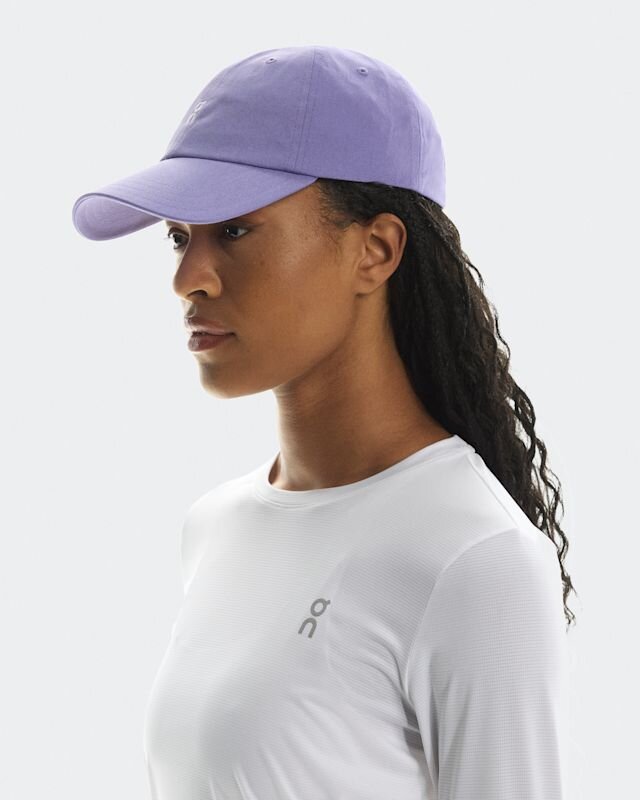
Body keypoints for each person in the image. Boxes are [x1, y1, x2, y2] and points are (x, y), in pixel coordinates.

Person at [72, 44, 577, 800]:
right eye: (179, 237)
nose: (187, 279)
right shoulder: (214, 527)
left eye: (233, 230)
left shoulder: (475, 558)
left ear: (375, 250)